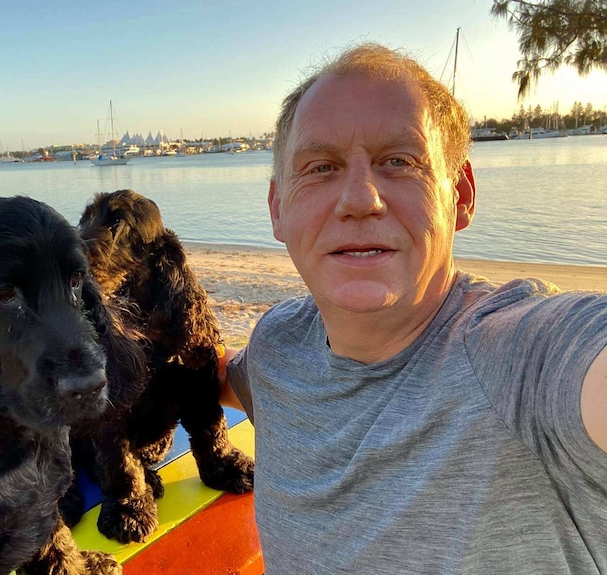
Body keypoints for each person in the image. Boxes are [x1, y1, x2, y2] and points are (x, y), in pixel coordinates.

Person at [219, 43, 607, 573]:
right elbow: (214, 375)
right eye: (320, 167)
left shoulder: (517, 354)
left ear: (461, 194)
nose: (359, 198)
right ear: (277, 208)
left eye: (399, 162)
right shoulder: (277, 345)